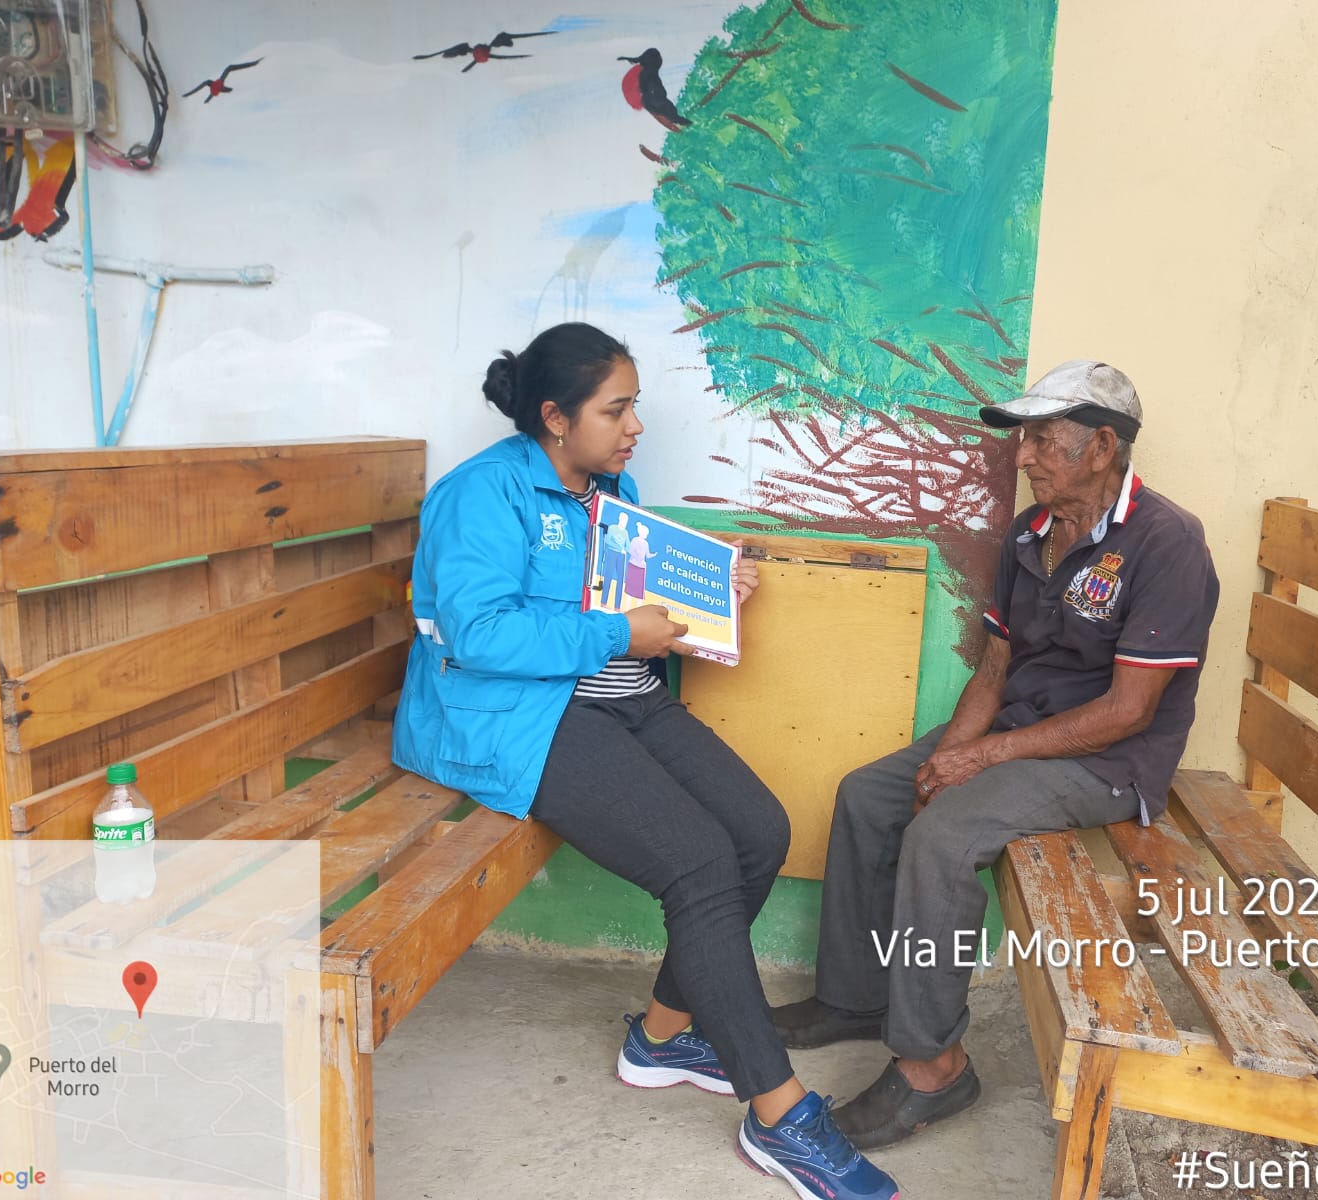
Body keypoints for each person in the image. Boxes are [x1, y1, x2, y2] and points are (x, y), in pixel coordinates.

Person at [393, 322, 899, 1200]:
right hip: (519, 717)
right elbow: (479, 635)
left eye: (635, 408)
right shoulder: (481, 495)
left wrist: (708, 601)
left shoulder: (609, 489)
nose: (635, 427)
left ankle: (661, 1038)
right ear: (555, 417)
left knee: (759, 831)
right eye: (615, 410)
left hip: (621, 695)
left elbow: (628, 604)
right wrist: (619, 633)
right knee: (698, 864)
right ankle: (779, 1113)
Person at [772, 359, 1220, 1149]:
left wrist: (978, 763)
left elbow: (1128, 711)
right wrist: (946, 758)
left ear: (1102, 447)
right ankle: (855, 998)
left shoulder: (1167, 542)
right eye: (1025, 439)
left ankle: (934, 1067)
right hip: (1019, 727)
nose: (1024, 456)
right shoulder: (1031, 534)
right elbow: (996, 667)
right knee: (870, 796)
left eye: (1044, 439)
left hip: (1105, 761)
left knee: (943, 838)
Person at [601, 512, 630, 607]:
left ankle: (617, 606)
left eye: (626, 521)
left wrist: (624, 549)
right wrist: (619, 548)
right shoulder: (612, 528)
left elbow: (628, 546)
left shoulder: (625, 532)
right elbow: (607, 541)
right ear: (620, 519)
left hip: (621, 556)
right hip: (612, 553)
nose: (625, 522)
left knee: (620, 580)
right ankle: (603, 602)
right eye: (624, 520)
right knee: (608, 577)